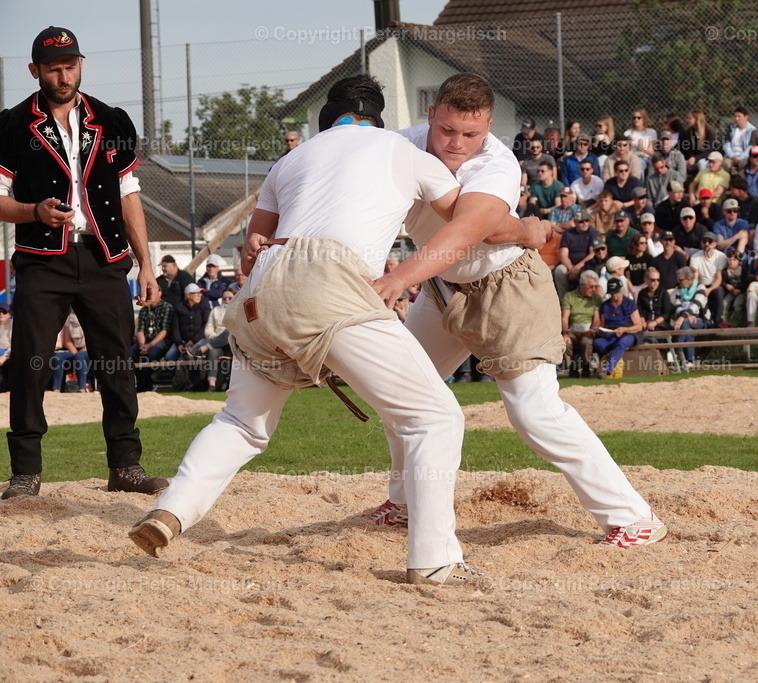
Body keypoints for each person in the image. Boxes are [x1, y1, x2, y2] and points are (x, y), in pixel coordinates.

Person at [129, 74, 491, 585]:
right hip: (332, 279)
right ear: (377, 120)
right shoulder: (402, 150)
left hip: (263, 285)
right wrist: (526, 229)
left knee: (240, 422)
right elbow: (470, 221)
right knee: (434, 418)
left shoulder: (290, 160)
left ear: (328, 120)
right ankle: (434, 559)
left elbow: (256, 240)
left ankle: (172, 510)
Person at [378, 74, 665, 548]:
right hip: (439, 286)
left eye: (470, 134)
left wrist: (396, 279)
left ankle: (633, 518)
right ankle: (405, 503)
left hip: (506, 288)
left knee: (535, 414)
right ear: (431, 115)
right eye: (447, 130)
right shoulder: (400, 146)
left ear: (488, 126)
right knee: (400, 393)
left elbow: (473, 231)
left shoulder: (497, 163)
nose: (457, 143)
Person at [0, 26, 165, 499]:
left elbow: (130, 194)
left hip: (103, 257)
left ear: (81, 64)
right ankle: (26, 473)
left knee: (116, 363)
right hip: (41, 260)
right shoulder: (10, 126)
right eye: (53, 67)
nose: (63, 75)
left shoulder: (113, 121)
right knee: (29, 366)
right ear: (34, 71)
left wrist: (146, 265)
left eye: (70, 65)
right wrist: (34, 211)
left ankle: (125, 467)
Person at [591, 278, 642, 378]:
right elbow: (602, 324)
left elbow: (639, 326)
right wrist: (599, 330)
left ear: (620, 290)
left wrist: (625, 329)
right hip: (611, 334)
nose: (614, 296)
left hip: (629, 333)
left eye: (616, 292)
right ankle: (612, 357)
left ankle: (606, 369)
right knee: (597, 343)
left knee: (622, 342)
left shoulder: (630, 303)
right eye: (612, 293)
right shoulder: (605, 306)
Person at [560, 271, 602, 377]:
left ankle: (586, 368)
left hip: (588, 330)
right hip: (572, 331)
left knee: (586, 342)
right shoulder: (570, 296)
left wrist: (592, 329)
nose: (593, 289)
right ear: (582, 285)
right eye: (591, 287)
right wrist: (565, 333)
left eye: (595, 287)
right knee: (566, 342)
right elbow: (564, 318)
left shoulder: (596, 298)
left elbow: (596, 319)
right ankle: (572, 368)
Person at [554, 210, 601, 300]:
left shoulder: (594, 233)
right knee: (559, 271)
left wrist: (577, 268)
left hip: (587, 265)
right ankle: (564, 300)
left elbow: (592, 254)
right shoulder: (567, 234)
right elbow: (563, 254)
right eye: (581, 221)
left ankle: (584, 300)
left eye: (587, 220)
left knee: (587, 273)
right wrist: (571, 268)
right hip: (570, 265)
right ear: (575, 222)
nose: (585, 223)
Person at [132, 296, 174, 392]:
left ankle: (146, 383)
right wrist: (142, 345)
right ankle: (142, 382)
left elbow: (165, 331)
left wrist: (149, 346)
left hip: (161, 341)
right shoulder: (144, 309)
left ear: (159, 293)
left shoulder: (167, 307)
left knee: (150, 355)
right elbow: (140, 330)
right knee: (131, 353)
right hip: (145, 341)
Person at [688, 233, 727, 323]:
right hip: (701, 284)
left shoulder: (721, 256)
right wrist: (700, 289)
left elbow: (719, 278)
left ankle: (717, 321)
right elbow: (696, 277)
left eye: (710, 241)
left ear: (715, 243)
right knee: (695, 292)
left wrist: (709, 290)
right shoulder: (695, 257)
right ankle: (702, 321)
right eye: (704, 241)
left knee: (719, 291)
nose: (707, 244)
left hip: (714, 285)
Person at [202, 288, 235, 391]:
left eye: (230, 298)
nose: (227, 300)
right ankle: (212, 385)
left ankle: (204, 348)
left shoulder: (238, 310)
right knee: (212, 352)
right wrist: (215, 339)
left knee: (228, 332)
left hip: (232, 345)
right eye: (224, 298)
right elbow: (209, 328)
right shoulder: (215, 310)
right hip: (217, 343)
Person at [51, 313, 89, 392]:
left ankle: (82, 388)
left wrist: (78, 355)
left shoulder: (87, 319)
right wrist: (75, 354)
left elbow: (90, 341)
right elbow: (67, 341)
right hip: (73, 350)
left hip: (86, 350)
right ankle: (56, 388)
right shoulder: (68, 320)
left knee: (80, 356)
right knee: (58, 357)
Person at [636, 267, 673, 333]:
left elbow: (666, 314)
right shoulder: (642, 293)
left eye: (658, 280)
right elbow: (640, 311)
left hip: (660, 323)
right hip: (646, 322)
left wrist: (655, 322)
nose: (656, 282)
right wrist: (643, 323)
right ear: (646, 279)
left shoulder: (663, 293)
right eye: (653, 280)